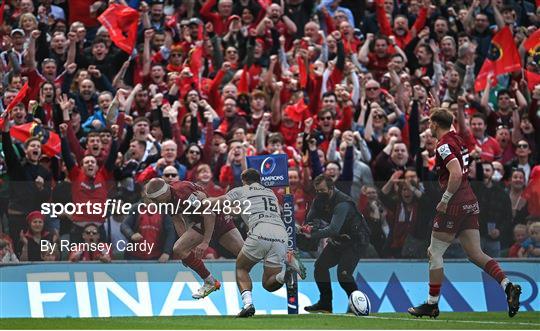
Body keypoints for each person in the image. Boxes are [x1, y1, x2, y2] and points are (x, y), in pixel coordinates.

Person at [408, 108, 521, 318]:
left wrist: (444, 200)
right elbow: (446, 120)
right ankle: (507, 285)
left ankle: (432, 303)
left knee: (435, 252)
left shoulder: (442, 145)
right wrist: (435, 105)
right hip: (469, 200)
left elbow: (456, 173)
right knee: (475, 253)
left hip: (454, 203)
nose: (427, 127)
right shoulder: (456, 137)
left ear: (434, 124)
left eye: (429, 123)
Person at [201, 169, 306, 317]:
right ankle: (285, 274)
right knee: (269, 284)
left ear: (243, 180)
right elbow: (244, 209)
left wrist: (200, 201)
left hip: (260, 231)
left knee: (241, 268)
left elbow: (215, 203)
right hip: (281, 234)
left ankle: (248, 304)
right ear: (259, 180)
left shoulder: (241, 190)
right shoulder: (270, 193)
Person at [299, 174, 371, 313]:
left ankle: (357, 306)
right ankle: (325, 304)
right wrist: (306, 228)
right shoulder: (318, 200)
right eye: (317, 191)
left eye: (322, 190)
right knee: (320, 266)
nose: (319, 194)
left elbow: (333, 228)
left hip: (355, 240)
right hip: (339, 239)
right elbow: (310, 219)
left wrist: (313, 234)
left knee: (344, 274)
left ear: (331, 188)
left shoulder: (342, 203)